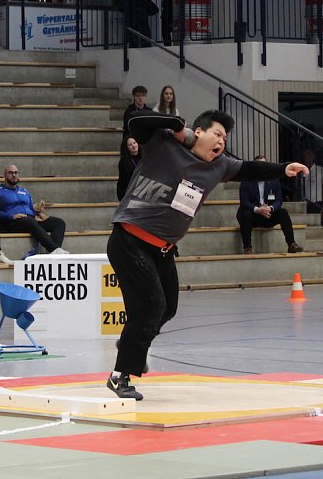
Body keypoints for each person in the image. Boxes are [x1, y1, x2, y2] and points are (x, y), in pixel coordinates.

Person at [107, 110, 308, 400]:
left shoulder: (220, 166)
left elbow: (249, 169)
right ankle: (119, 376)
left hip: (163, 249)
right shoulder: (164, 143)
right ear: (198, 132)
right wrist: (173, 124)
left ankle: (130, 347)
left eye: (225, 138)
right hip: (130, 240)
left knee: (168, 309)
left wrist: (284, 168)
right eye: (217, 134)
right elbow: (134, 123)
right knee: (152, 306)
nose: (222, 141)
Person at [0, 164, 68, 255]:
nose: (14, 175)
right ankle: (53, 249)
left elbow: (31, 209)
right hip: (12, 223)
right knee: (29, 221)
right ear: (5, 175)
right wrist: (11, 216)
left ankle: (53, 253)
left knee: (59, 222)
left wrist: (38, 212)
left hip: (30, 220)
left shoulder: (24, 191)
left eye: (16, 173)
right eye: (10, 173)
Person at [236, 155, 304, 255]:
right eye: (259, 165)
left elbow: (279, 200)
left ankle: (291, 244)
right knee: (245, 213)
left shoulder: (274, 180)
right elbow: (244, 202)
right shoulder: (247, 181)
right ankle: (247, 247)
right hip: (253, 214)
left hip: (268, 214)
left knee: (283, 213)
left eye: (264, 165)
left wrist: (270, 208)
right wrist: (258, 210)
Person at [300, 148, 323, 220]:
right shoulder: (300, 172)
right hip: (303, 205)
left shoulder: (321, 170)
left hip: (316, 205)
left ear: (313, 156)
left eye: (308, 154)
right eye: (305, 155)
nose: (306, 157)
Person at [117, 136, 141, 201]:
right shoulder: (124, 161)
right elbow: (126, 180)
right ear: (126, 148)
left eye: (134, 143)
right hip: (128, 191)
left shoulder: (144, 157)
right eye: (130, 145)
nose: (133, 146)